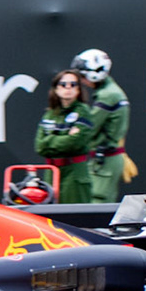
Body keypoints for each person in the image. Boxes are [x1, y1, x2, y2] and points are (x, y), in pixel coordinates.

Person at [69, 47, 135, 202]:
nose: (81, 80)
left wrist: (73, 132)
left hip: (105, 161)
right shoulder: (110, 91)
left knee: (97, 203)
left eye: (82, 75)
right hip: (105, 159)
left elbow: (89, 127)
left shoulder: (107, 95)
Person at [34, 69, 97, 202]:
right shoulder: (50, 114)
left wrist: (50, 139)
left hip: (74, 173)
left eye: (73, 84)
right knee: (51, 212)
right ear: (56, 89)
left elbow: (75, 142)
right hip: (51, 173)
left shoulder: (83, 111)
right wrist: (63, 137)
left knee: (75, 213)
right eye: (63, 84)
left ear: (78, 90)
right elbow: (40, 146)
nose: (68, 88)